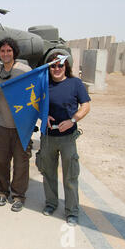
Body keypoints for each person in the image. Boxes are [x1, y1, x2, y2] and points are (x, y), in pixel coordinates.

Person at [37, 53, 91, 226]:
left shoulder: (75, 83)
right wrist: (42, 116)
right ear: (49, 68)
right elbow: (34, 104)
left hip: (68, 138)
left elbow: (86, 105)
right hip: (48, 137)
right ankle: (51, 203)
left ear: (66, 66)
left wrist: (73, 120)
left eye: (60, 65)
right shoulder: (44, 84)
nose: (57, 69)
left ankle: (72, 211)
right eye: (53, 66)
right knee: (48, 173)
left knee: (70, 176)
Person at [0, 37, 32, 212]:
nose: (5, 54)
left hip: (22, 126)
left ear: (14, 52)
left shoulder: (25, 70)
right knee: (1, 161)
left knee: (21, 163)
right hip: (3, 124)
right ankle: (1, 191)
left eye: (9, 51)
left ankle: (18, 195)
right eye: (2, 51)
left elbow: (34, 95)